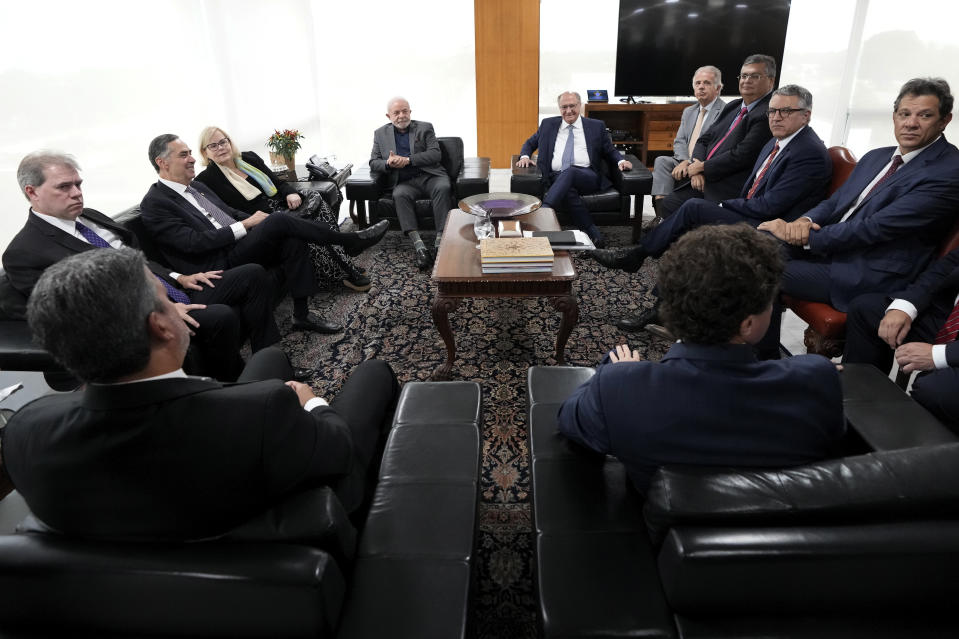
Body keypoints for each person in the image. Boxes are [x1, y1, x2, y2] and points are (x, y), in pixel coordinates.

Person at [0, 247, 399, 539]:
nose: (179, 308)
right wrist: (311, 403)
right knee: (372, 373)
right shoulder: (264, 414)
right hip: (279, 554)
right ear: (161, 327)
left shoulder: (25, 429)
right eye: (168, 301)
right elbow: (338, 451)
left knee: (271, 359)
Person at [557, 224, 845, 495]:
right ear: (747, 324)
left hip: (668, 534)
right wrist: (805, 371)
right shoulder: (816, 379)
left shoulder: (620, 387)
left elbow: (569, 419)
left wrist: (618, 371)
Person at [2, 151, 281, 382]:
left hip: (170, 289)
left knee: (252, 274)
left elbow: (139, 258)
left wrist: (180, 276)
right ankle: (230, 385)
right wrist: (156, 309)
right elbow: (71, 313)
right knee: (220, 316)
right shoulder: (25, 252)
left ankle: (267, 356)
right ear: (32, 191)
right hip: (134, 318)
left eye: (78, 184)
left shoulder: (91, 217)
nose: (77, 193)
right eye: (64, 187)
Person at [590, 85, 832, 332]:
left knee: (695, 215)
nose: (776, 117)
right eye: (772, 111)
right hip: (756, 216)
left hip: (774, 231)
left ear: (806, 114)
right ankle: (653, 289)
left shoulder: (808, 152)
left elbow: (772, 205)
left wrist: (723, 204)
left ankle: (641, 264)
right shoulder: (777, 141)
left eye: (786, 111)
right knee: (692, 220)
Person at [755, 77, 959, 359]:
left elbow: (874, 229)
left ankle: (762, 365)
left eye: (924, 115)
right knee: (755, 245)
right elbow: (835, 203)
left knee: (757, 268)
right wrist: (802, 222)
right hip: (833, 250)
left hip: (867, 269)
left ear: (944, 120)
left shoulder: (948, 171)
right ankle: (759, 358)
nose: (911, 123)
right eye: (905, 114)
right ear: (895, 117)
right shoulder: (878, 156)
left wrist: (806, 238)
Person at [140, 134, 389, 334]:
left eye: (191, 153)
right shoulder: (155, 202)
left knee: (291, 236)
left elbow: (230, 212)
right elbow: (193, 243)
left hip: (238, 244)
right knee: (282, 220)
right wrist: (249, 224)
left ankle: (302, 315)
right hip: (216, 262)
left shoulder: (196, 187)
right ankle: (351, 241)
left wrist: (258, 223)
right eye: (184, 155)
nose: (192, 159)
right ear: (162, 163)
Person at [193, 126, 371, 292]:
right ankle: (344, 268)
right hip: (264, 221)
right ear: (205, 152)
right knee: (304, 226)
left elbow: (278, 183)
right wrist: (254, 220)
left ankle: (342, 260)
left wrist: (290, 193)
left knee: (316, 198)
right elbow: (226, 213)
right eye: (213, 146)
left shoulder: (249, 158)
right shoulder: (205, 180)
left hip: (284, 205)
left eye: (223, 142)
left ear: (230, 142)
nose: (220, 148)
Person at [844, 246, 959, 428]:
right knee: (866, 311)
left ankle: (917, 450)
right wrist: (905, 306)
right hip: (950, 316)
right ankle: (857, 411)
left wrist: (941, 354)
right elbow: (945, 268)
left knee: (932, 389)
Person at [658, 54, 777, 218]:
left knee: (680, 208)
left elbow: (742, 154)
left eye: (754, 76)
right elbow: (703, 139)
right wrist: (697, 168)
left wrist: (702, 168)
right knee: (670, 203)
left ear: (771, 81)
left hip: (726, 184)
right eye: (743, 76)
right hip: (704, 175)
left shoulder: (768, 113)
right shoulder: (734, 106)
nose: (746, 80)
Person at [516, 90, 633, 248]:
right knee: (568, 189)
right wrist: (524, 156)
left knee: (570, 171)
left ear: (580, 105)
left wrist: (621, 161)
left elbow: (610, 150)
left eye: (572, 106)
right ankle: (593, 234)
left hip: (588, 176)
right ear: (559, 108)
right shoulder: (548, 125)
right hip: (556, 177)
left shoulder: (596, 126)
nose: (569, 110)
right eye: (564, 107)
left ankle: (543, 211)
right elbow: (530, 143)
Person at [369, 97, 454, 270]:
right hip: (405, 181)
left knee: (443, 187)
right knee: (399, 195)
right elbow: (373, 162)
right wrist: (388, 163)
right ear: (388, 116)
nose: (401, 116)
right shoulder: (380, 134)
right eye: (396, 113)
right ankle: (420, 247)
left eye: (404, 111)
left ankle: (440, 242)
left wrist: (408, 160)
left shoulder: (425, 127)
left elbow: (435, 154)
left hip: (431, 176)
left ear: (410, 112)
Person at [650, 66, 725, 218]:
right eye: (697, 83)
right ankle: (661, 217)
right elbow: (680, 141)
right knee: (661, 161)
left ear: (718, 88)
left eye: (707, 83)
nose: (701, 87)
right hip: (685, 161)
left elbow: (716, 147)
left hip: (704, 163)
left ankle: (666, 220)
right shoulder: (689, 111)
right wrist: (684, 161)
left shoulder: (725, 112)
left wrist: (695, 168)